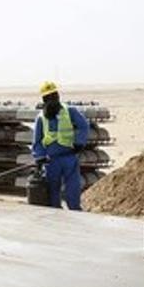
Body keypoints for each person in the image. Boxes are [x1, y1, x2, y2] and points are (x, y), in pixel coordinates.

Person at [31, 81, 90, 210]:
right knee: (53, 189)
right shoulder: (41, 118)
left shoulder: (70, 111)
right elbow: (37, 140)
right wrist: (39, 156)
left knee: (73, 187)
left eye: (54, 96)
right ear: (44, 100)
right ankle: (56, 215)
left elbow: (83, 126)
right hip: (51, 160)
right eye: (48, 97)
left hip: (69, 157)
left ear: (58, 96)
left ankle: (75, 211)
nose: (52, 99)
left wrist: (79, 142)